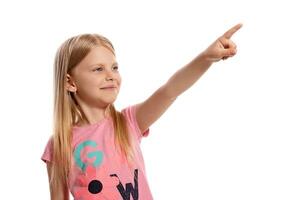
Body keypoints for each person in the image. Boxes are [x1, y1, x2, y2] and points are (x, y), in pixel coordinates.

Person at [41, 23, 243, 200]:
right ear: (70, 82)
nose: (111, 76)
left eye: (115, 67)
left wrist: (206, 58)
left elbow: (170, 91)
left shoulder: (128, 122)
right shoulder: (60, 144)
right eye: (98, 69)